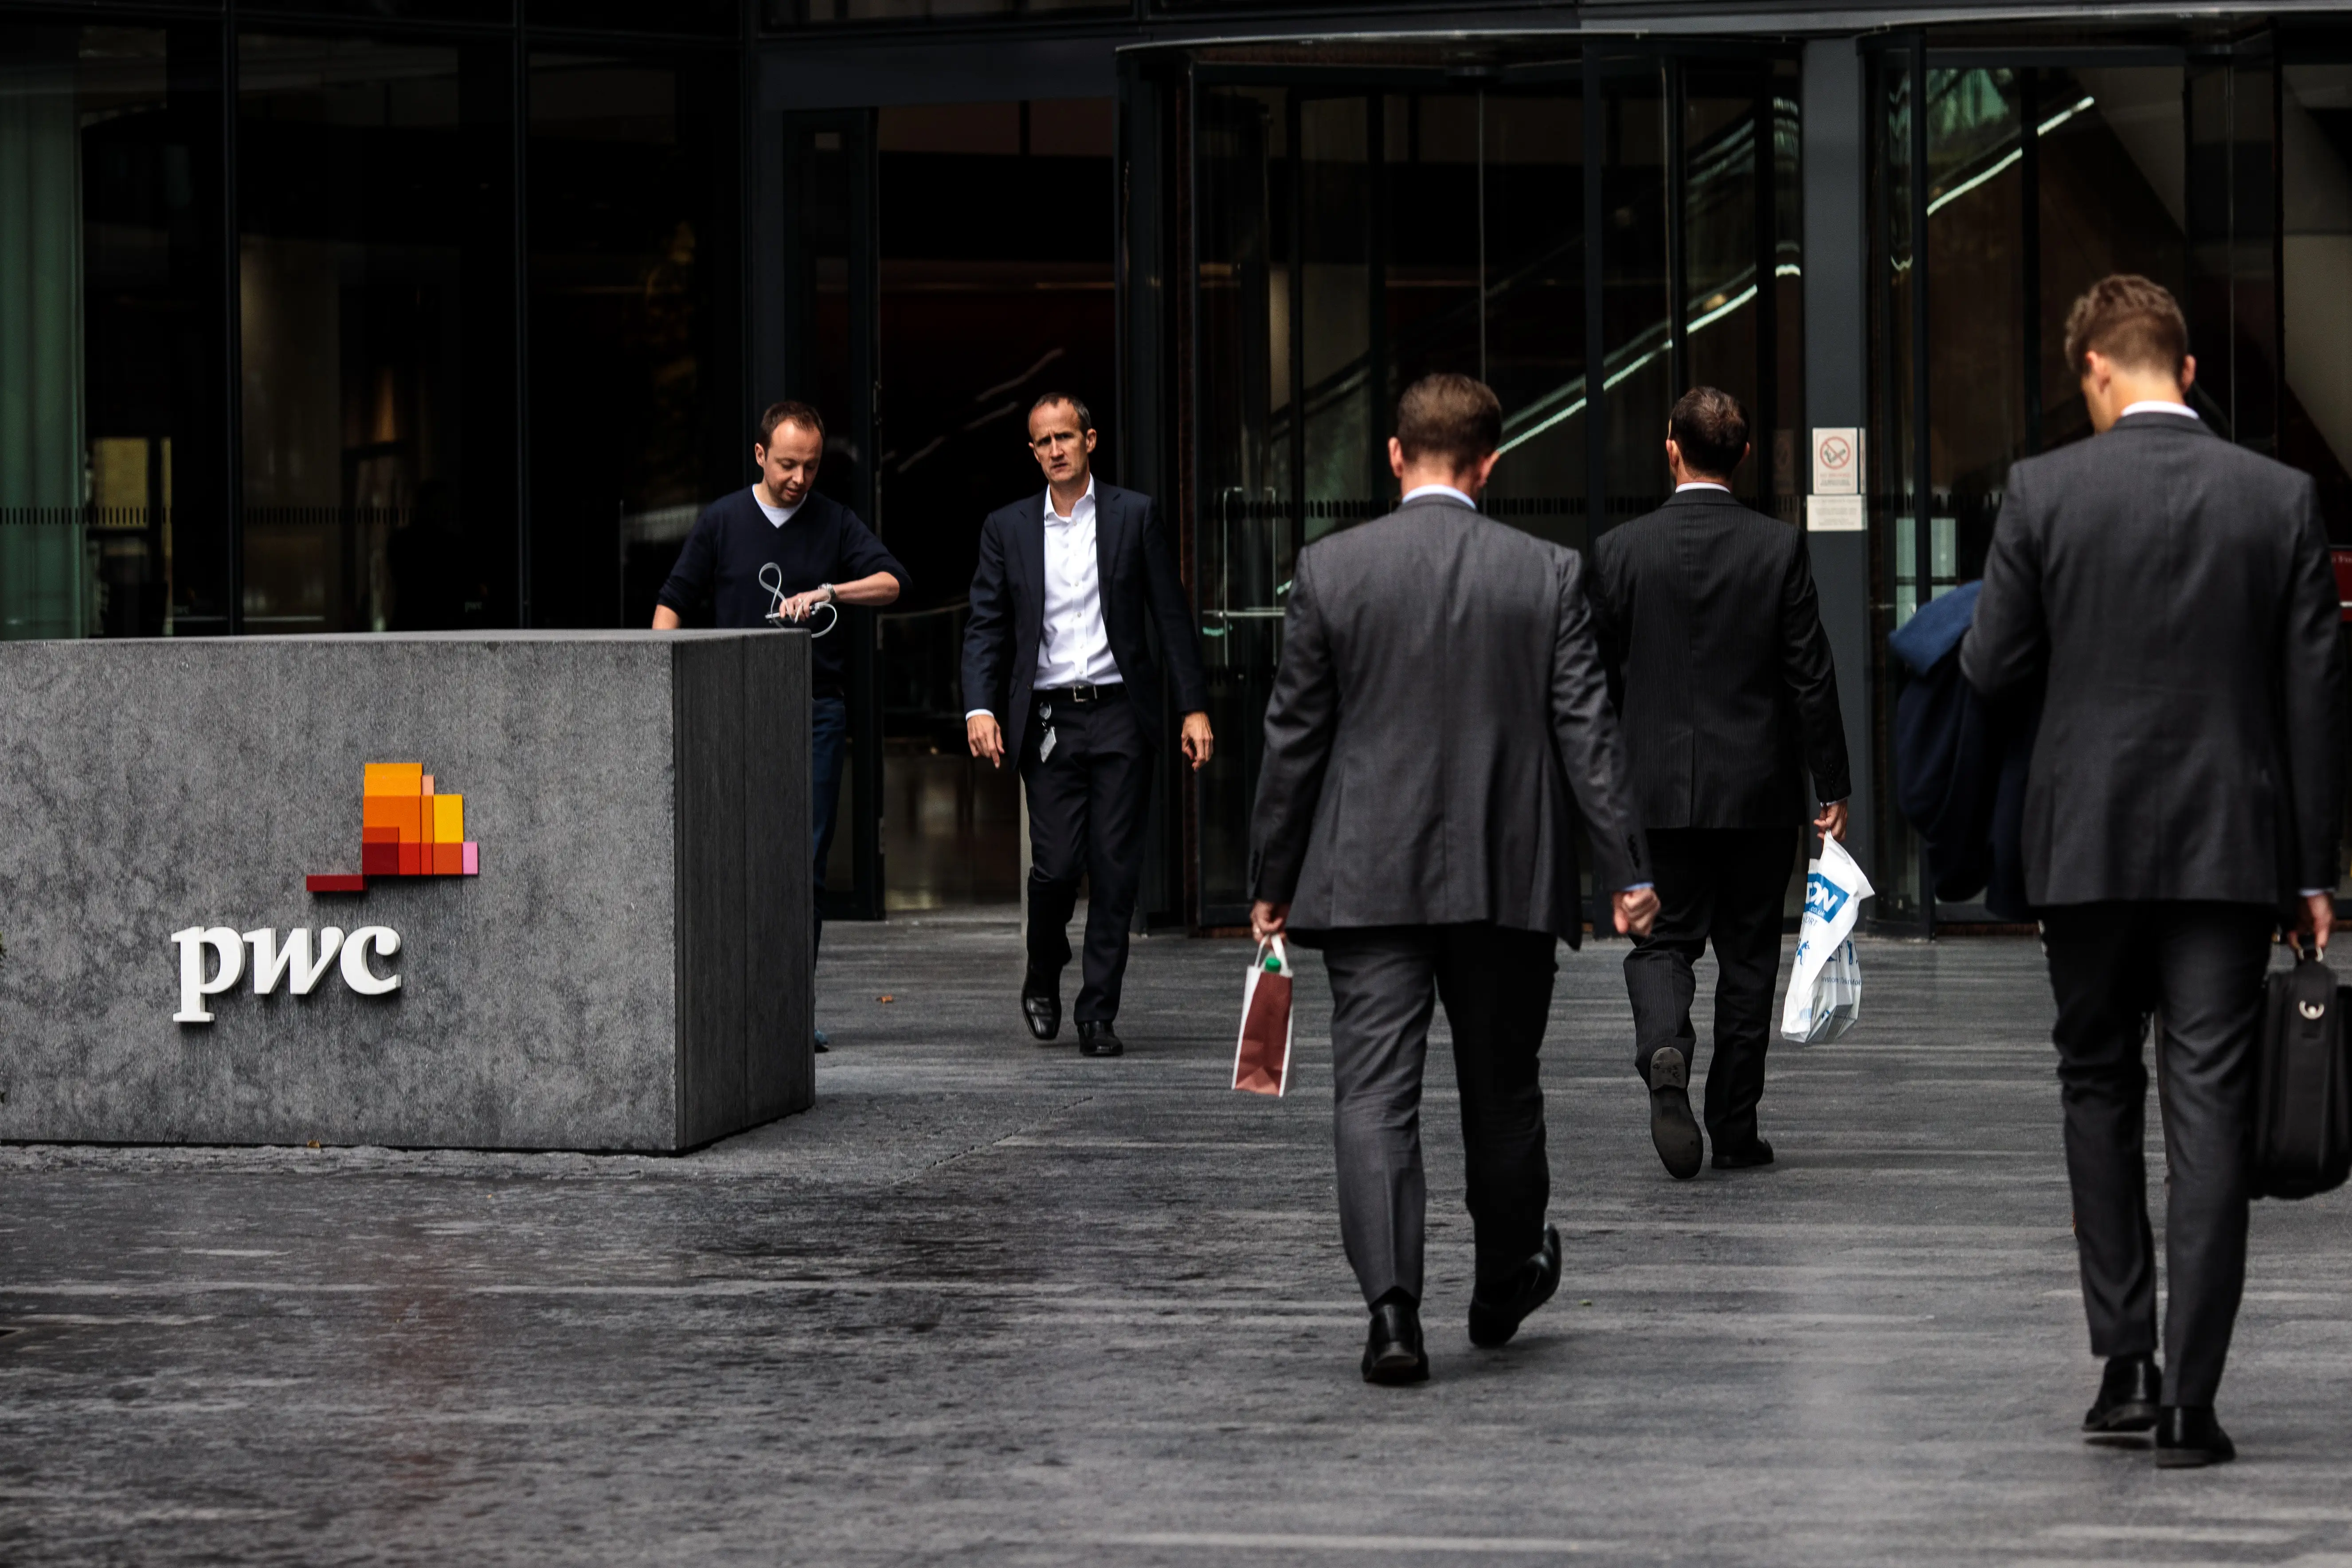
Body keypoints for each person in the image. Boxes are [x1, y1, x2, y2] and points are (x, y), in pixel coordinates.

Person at [1963, 274, 2344, 1468]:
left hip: (2083, 844)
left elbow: (1992, 667)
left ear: (2095, 371)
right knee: (2211, 1108)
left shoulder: (2042, 492)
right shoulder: (2279, 499)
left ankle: (2122, 1364)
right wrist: (2315, 869)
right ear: (2184, 368)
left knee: (2094, 1084)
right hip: (2233, 852)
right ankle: (2192, 1401)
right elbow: (2314, 696)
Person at [1248, 373, 1659, 1385]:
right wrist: (1625, 868)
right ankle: (1505, 1275)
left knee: (1374, 1094)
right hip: (1506, 873)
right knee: (1504, 1091)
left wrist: (1271, 876)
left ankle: (1393, 1311)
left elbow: (1293, 738)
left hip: (1364, 875)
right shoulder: (1547, 573)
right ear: (1493, 461)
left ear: (1395, 456)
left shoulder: (1331, 569)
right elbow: (1588, 735)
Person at [1586, 387, 1852, 1180]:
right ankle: (1734, 1127)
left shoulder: (1620, 551)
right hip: (1758, 795)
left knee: (1664, 940)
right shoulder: (1777, 547)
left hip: (1656, 793)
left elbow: (1593, 685)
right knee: (1748, 961)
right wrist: (1831, 784)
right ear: (1741, 457)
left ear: (1671, 448)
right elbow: (1812, 675)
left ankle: (1665, 1042)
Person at [962, 393, 1213, 1058]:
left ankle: (1097, 1013)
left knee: (1115, 869)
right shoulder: (1007, 528)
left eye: (1065, 437)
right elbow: (986, 624)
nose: (1055, 450)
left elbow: (1170, 617)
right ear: (1033, 451)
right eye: (1043, 442)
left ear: (1090, 440)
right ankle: (1043, 969)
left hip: (1122, 714)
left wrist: (1192, 706)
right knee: (1057, 866)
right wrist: (979, 706)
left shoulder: (1135, 516)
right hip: (1048, 719)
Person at [654, 400, 909, 1051]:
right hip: (730, 709)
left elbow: (892, 584)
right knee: (727, 860)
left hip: (814, 710)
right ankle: (726, 1003)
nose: (800, 478)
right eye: (789, 464)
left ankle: (793, 1007)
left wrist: (830, 592)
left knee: (805, 865)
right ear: (761, 455)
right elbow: (671, 606)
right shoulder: (722, 522)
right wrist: (664, 685)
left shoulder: (833, 522)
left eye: (813, 465)